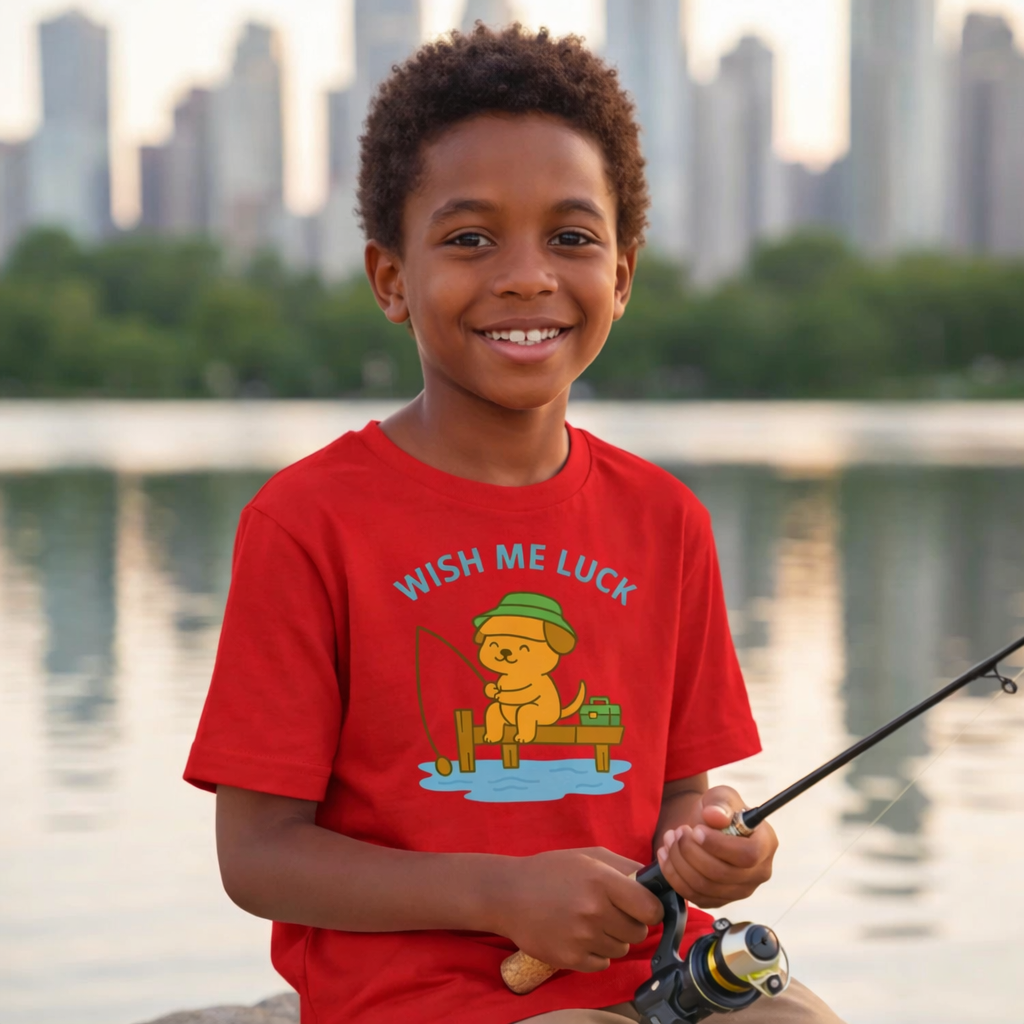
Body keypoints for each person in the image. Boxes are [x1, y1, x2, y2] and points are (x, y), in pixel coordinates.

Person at [185, 24, 845, 1024]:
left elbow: (680, 797)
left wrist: (712, 841)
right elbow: (258, 856)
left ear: (622, 275)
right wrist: (497, 893)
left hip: (655, 973)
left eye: (571, 238)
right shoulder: (306, 522)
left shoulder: (666, 519)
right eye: (469, 239)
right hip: (419, 999)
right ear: (390, 278)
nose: (528, 275)